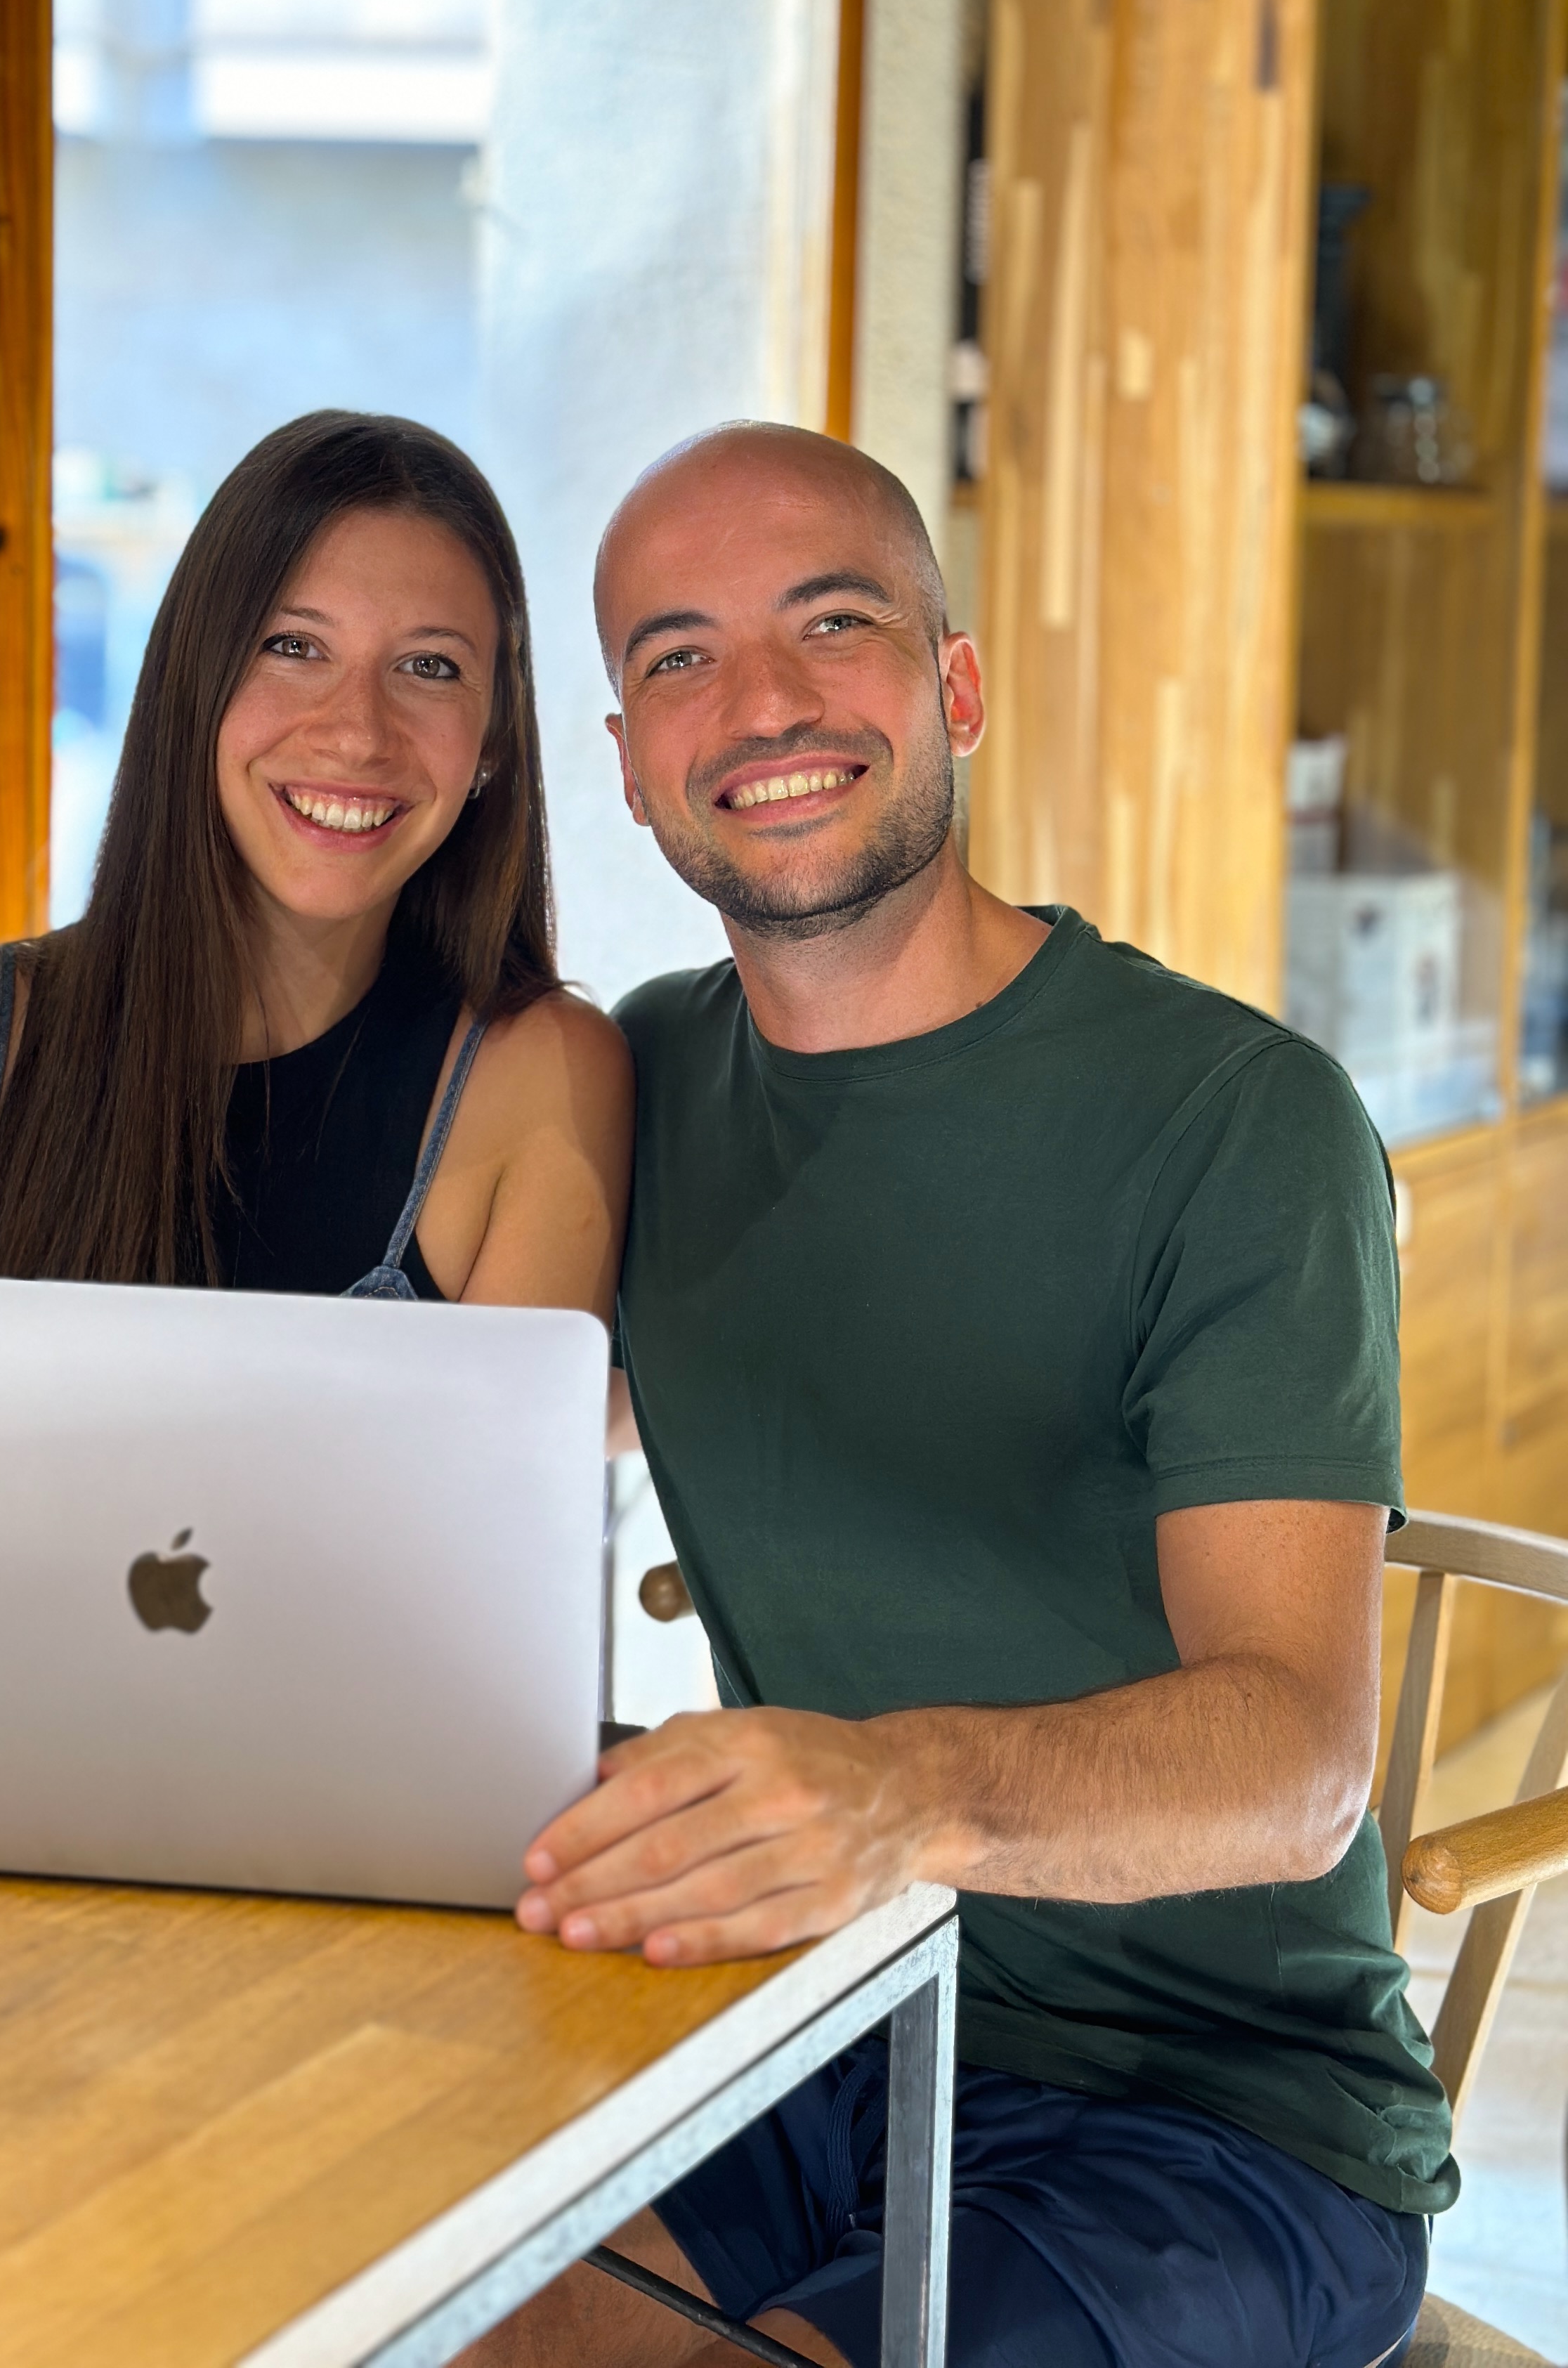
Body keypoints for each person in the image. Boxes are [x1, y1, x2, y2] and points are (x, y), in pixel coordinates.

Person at [478, 422, 1449, 2367]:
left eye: (830, 624)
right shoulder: (634, 1084)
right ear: (626, 763)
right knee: (427, 2315)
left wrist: (899, 1790)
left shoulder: (1236, 1124)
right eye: (678, 656)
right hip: (821, 2017)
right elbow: (469, 1423)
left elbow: (1296, 1761)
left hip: (1225, 2125)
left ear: (957, 684)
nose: (759, 702)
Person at [0, 410, 634, 1694]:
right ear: (193, 677)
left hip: (320, 1829)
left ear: (492, 743)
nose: (357, 731)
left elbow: (482, 1617)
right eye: (292, 646)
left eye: (429, 668)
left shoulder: (541, 1078)